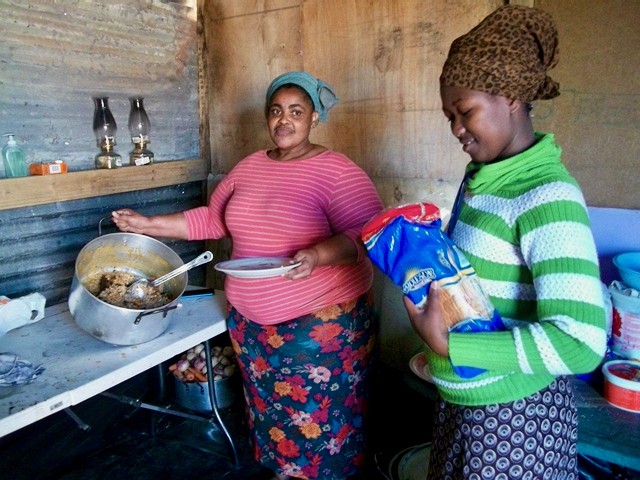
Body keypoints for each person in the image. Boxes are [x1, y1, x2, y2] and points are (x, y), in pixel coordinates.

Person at [112, 71, 383, 480]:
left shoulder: (336, 170)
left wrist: (317, 255)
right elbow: (212, 220)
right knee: (270, 408)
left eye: (296, 111)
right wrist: (148, 225)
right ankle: (285, 469)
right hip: (252, 324)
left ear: (314, 118)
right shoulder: (249, 167)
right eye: (276, 111)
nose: (284, 120)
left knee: (324, 413)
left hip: (319, 325)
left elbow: (366, 234)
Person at [402, 6, 607, 479]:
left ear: (511, 96)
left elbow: (582, 342)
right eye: (450, 115)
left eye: (465, 112)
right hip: (465, 404)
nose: (456, 128)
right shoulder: (484, 180)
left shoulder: (546, 196)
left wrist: (456, 349)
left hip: (515, 422)